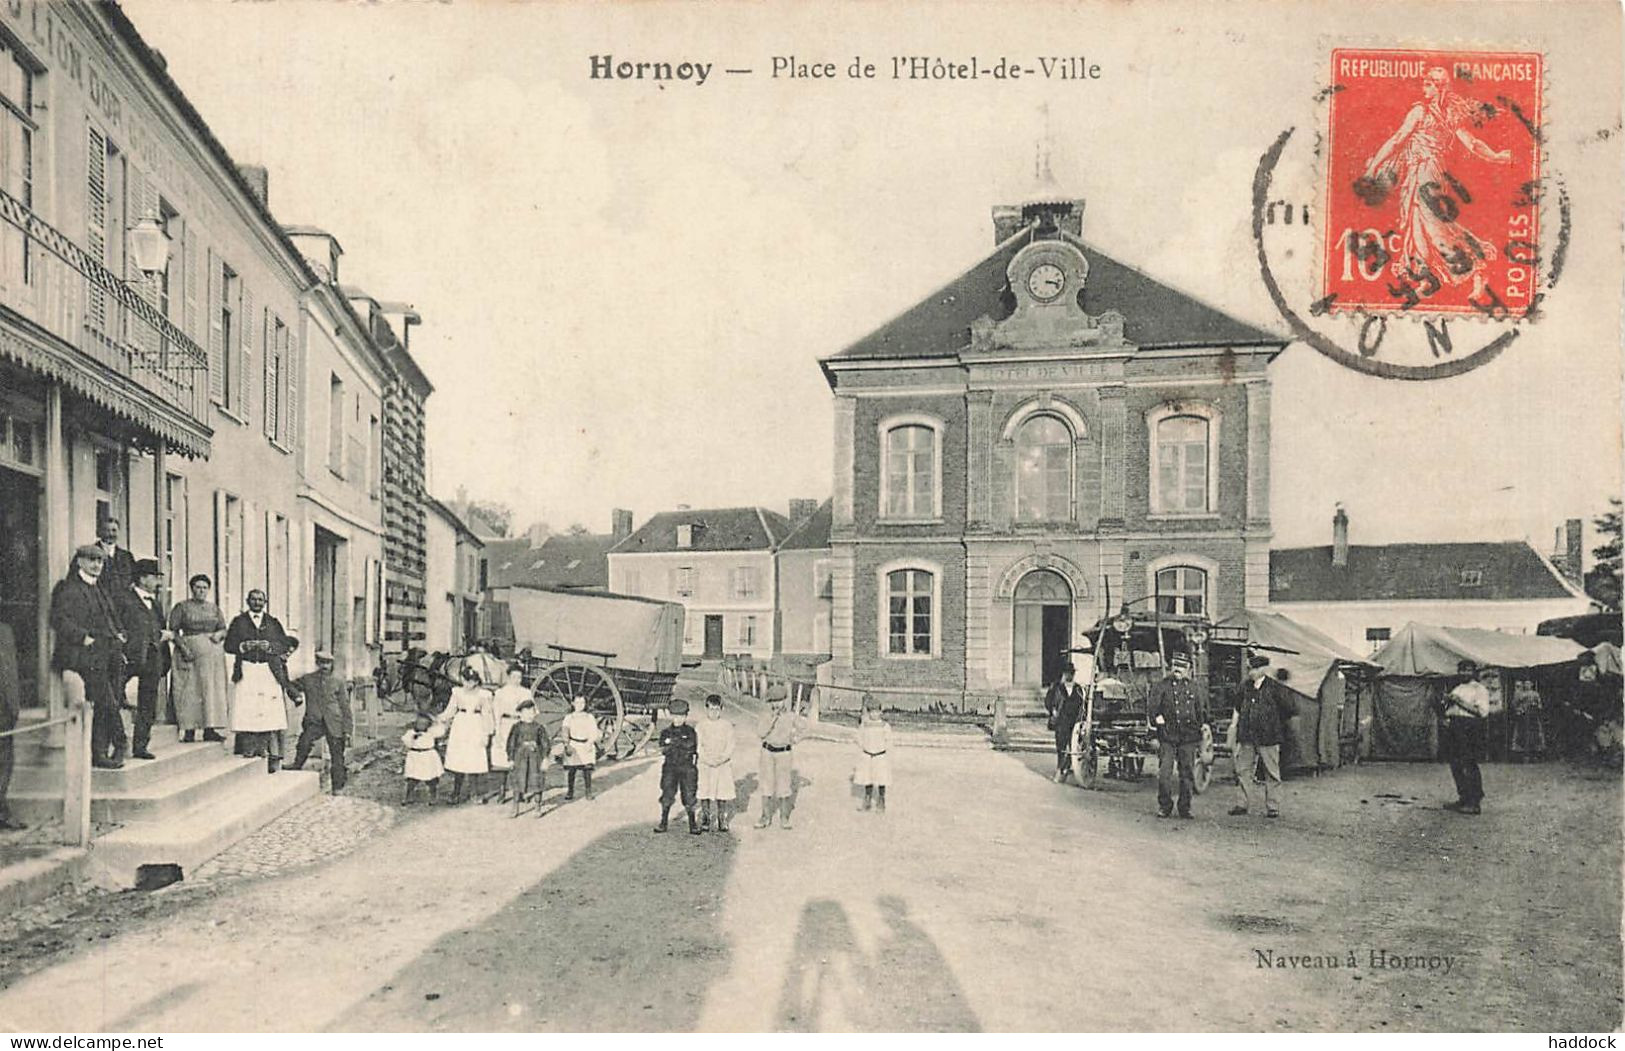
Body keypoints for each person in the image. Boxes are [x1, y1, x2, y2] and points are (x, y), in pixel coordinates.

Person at [1361, 66, 1514, 302]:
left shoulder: (1422, 112)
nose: (1424, 87)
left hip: (1427, 173)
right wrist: (1495, 156)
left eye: (1428, 83)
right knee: (1417, 224)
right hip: (1423, 172)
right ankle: (1427, 278)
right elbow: (1471, 143)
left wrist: (1373, 168)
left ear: (1438, 86)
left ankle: (1476, 270)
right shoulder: (1447, 114)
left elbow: (1398, 139)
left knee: (1434, 226)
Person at [50, 545, 127, 769]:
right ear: (80, 562)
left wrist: (119, 635)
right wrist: (83, 637)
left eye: (100, 561)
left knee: (106, 703)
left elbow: (111, 619)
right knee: (106, 701)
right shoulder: (68, 588)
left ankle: (100, 752)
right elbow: (59, 619)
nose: (96, 565)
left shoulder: (100, 589)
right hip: (82, 655)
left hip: (107, 653)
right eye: (91, 560)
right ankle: (120, 742)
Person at [224, 589, 297, 772]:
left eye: (260, 600)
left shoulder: (272, 623)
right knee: (246, 709)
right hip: (247, 669)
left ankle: (263, 748)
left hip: (267, 671)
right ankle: (248, 748)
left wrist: (270, 646)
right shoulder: (238, 622)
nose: (257, 603)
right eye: (254, 599)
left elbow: (284, 644)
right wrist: (243, 646)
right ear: (247, 601)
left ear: (265, 602)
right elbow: (228, 645)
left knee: (266, 711)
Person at [115, 559, 172, 761]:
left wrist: (164, 637)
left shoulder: (155, 603)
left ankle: (140, 745)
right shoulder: (124, 599)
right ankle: (116, 744)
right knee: (113, 697)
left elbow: (158, 626)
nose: (158, 581)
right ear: (142, 578)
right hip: (129, 657)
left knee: (148, 702)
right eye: (155, 577)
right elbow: (117, 626)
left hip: (152, 657)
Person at [1228, 654, 1295, 819]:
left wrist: (1274, 723)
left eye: (1254, 669)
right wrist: (1234, 727)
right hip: (1247, 736)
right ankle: (1241, 804)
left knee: (1271, 772)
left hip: (1268, 737)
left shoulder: (1275, 688)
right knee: (1243, 771)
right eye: (1250, 669)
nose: (1251, 672)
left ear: (1263, 670)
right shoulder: (1244, 687)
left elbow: (1289, 709)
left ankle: (1273, 806)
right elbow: (1237, 708)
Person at [167, 574, 229, 742]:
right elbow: (173, 631)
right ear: (192, 588)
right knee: (190, 691)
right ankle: (189, 730)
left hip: (212, 656)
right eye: (198, 587)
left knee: (211, 691)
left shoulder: (214, 608)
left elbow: (223, 628)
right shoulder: (182, 607)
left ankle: (210, 728)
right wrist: (184, 649)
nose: (201, 591)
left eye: (204, 588)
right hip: (190, 655)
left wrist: (219, 634)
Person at [1148, 651, 1208, 819]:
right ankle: (1165, 806)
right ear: (1171, 666)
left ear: (1188, 669)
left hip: (1188, 737)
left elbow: (1200, 710)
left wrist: (1200, 730)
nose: (1178, 669)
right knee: (1164, 773)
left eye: (1182, 666)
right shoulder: (1161, 686)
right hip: (1167, 736)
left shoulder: (1194, 687)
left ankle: (1185, 808)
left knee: (1187, 773)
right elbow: (1153, 710)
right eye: (1175, 665)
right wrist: (1157, 728)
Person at [286, 650, 353, 792]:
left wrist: (347, 730)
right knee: (304, 742)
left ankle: (337, 786)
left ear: (331, 664)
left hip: (335, 722)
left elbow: (345, 706)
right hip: (314, 721)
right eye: (322, 663)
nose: (325, 666)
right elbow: (290, 685)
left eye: (327, 663)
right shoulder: (308, 679)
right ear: (317, 663)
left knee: (337, 755)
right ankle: (297, 765)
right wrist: (297, 696)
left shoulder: (338, 681)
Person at [1440, 659, 1491, 815]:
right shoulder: (1457, 688)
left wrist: (1459, 702)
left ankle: (1474, 802)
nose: (1464, 673)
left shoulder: (1479, 689)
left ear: (1474, 672)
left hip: (1470, 727)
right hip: (1455, 725)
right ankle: (1464, 797)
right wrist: (1446, 704)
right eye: (1462, 670)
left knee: (1468, 762)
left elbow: (1481, 712)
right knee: (1455, 763)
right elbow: (1449, 708)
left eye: (1468, 670)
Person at [439, 664, 495, 803]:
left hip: (476, 725)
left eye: (470, 681)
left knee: (474, 759)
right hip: (461, 726)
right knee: (459, 759)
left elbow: (487, 714)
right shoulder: (457, 692)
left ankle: (475, 794)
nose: (467, 684)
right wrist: (439, 718)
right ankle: (456, 793)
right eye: (464, 680)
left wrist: (487, 733)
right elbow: (450, 710)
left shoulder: (484, 695)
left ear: (476, 681)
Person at [756, 683, 803, 830]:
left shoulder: (790, 717)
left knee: (784, 785)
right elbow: (761, 733)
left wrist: (796, 737)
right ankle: (765, 817)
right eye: (773, 701)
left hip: (784, 753)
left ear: (785, 700)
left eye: (780, 700)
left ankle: (784, 817)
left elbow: (804, 728)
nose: (777, 704)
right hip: (768, 752)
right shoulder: (765, 716)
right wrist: (772, 719)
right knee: (766, 785)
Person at [485, 664, 528, 802]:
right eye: (514, 677)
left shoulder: (526, 692)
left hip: (520, 725)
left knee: (520, 758)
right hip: (504, 725)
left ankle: (519, 791)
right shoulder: (501, 693)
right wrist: (497, 731)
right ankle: (502, 790)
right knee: (503, 758)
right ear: (509, 677)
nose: (517, 680)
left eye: (519, 677)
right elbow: (496, 713)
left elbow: (531, 712)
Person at [696, 693, 736, 831]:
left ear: (722, 709)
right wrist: (706, 759)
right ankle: (706, 818)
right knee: (704, 791)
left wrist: (722, 758)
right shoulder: (701, 726)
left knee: (722, 791)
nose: (713, 713)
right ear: (706, 709)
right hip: (706, 763)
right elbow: (698, 745)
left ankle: (722, 818)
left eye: (717, 709)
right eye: (711, 709)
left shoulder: (727, 726)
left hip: (722, 764)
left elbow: (731, 745)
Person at [505, 699, 550, 817]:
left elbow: (545, 743)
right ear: (520, 713)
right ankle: (515, 807)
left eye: (532, 711)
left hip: (535, 758)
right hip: (520, 758)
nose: (530, 714)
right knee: (517, 781)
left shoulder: (539, 727)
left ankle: (537, 807)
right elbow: (511, 743)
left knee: (536, 781)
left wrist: (545, 758)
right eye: (526, 712)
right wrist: (510, 758)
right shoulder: (516, 727)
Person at [1044, 663, 1086, 784]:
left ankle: (1065, 768)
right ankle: (1061, 769)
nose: (1070, 675)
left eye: (1072, 673)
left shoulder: (1078, 689)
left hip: (1074, 722)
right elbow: (1048, 700)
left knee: (1073, 747)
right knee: (1061, 746)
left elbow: (1083, 704)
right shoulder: (1057, 687)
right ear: (1064, 673)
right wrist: (1052, 710)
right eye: (1067, 673)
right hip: (1061, 721)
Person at [855, 694, 892, 813]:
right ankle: (867, 800)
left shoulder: (885, 726)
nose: (874, 714)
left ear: (880, 712)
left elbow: (889, 740)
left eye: (876, 712)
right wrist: (864, 746)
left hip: (880, 755)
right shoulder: (864, 725)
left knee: (881, 778)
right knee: (867, 778)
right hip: (867, 755)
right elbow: (859, 737)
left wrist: (884, 750)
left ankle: (881, 800)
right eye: (871, 712)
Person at [560, 694, 599, 801]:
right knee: (572, 770)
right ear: (573, 703)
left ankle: (588, 791)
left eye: (582, 702)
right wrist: (566, 744)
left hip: (586, 744)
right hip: (573, 745)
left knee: (587, 770)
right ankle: (570, 791)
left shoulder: (589, 717)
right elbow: (565, 730)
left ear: (585, 704)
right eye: (577, 702)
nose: (580, 705)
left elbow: (594, 732)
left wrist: (590, 742)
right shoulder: (569, 717)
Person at [401, 712, 444, 805]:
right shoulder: (411, 733)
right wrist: (413, 737)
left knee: (431, 778)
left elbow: (441, 731)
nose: (421, 726)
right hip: (415, 756)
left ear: (428, 725)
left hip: (428, 757)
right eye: (419, 724)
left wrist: (437, 721)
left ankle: (433, 796)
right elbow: (406, 742)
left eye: (424, 724)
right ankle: (409, 796)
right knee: (412, 779)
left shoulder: (431, 732)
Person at [93, 518, 138, 596]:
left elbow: (134, 581)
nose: (110, 534)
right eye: (106, 530)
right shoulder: (89, 554)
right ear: (99, 532)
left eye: (114, 530)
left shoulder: (127, 557)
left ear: (118, 532)